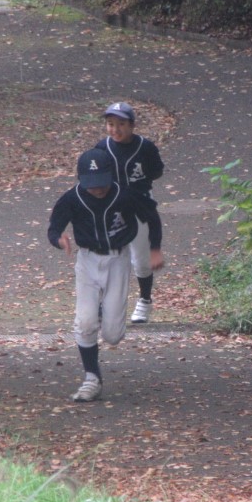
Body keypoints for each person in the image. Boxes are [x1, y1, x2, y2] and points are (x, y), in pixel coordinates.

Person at [48, 148, 164, 402]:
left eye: (101, 183)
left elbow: (152, 217)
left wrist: (154, 249)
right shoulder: (72, 198)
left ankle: (103, 310)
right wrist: (59, 240)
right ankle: (92, 378)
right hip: (87, 260)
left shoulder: (125, 195)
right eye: (91, 184)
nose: (97, 189)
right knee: (85, 322)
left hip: (117, 260)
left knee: (113, 335)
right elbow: (54, 227)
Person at [95, 101, 165, 323]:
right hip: (111, 206)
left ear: (132, 125)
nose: (115, 129)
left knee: (141, 259)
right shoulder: (102, 148)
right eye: (110, 124)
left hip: (139, 205)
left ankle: (145, 300)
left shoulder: (145, 147)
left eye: (121, 124)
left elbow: (156, 171)